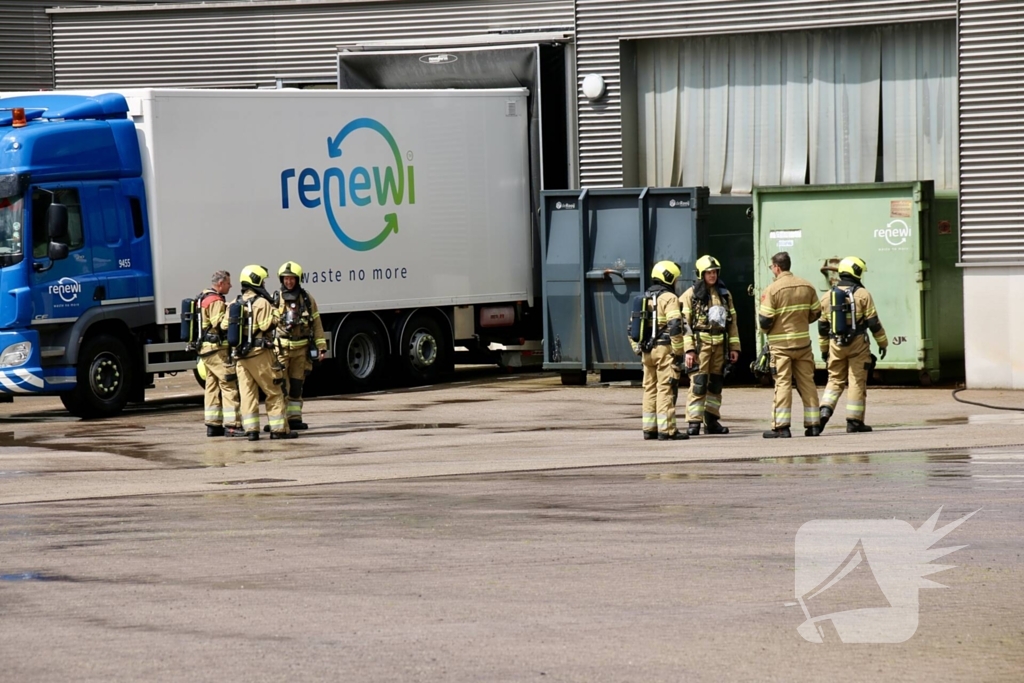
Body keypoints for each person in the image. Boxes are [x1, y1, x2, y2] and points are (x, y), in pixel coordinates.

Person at [817, 256, 889, 433]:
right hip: (858, 344)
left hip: (835, 345)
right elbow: (874, 323)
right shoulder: (863, 295)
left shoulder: (827, 296)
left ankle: (824, 410)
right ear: (856, 272)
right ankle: (854, 422)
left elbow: (822, 327)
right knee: (856, 381)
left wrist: (824, 350)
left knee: (834, 380)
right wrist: (883, 342)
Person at [758, 252, 822, 438]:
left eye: (772, 267)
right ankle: (813, 425)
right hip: (803, 345)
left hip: (780, 347)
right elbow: (816, 313)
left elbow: (764, 321)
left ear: (777, 267)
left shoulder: (772, 289)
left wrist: (771, 331)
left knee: (783, 384)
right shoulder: (807, 286)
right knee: (807, 383)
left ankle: (782, 427)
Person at [233, 265, 296, 441]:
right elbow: (266, 325)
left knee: (248, 394)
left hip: (240, 357)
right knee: (274, 390)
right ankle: (279, 430)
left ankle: (251, 430)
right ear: (256, 280)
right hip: (260, 355)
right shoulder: (262, 303)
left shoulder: (235, 303)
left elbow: (224, 326)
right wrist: (276, 311)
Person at [680, 255, 741, 436]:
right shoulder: (690, 295)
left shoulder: (724, 294)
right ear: (701, 274)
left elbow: (732, 323)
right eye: (708, 272)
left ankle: (712, 420)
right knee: (698, 384)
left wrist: (735, 347)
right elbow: (685, 325)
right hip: (701, 346)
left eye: (714, 272)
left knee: (715, 385)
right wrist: (689, 350)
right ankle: (694, 422)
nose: (712, 275)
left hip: (720, 345)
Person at [629, 261, 689, 441]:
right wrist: (679, 350)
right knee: (666, 388)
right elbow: (675, 326)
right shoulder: (669, 298)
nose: (677, 282)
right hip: (665, 350)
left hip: (647, 351)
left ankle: (649, 429)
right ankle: (667, 430)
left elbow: (631, 328)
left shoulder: (643, 298)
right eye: (676, 279)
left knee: (649, 389)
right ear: (669, 278)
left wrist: (638, 350)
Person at [271, 261, 327, 431]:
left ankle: (294, 418)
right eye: (286, 279)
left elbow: (316, 323)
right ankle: (279, 421)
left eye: (292, 279)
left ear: (298, 279)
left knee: (296, 385)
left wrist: (321, 347)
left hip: (301, 351)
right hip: (281, 350)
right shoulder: (275, 299)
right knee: (280, 386)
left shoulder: (307, 299)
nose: (289, 282)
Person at [198, 270, 244, 437]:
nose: (230, 286)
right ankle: (233, 425)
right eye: (228, 283)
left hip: (206, 350)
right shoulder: (215, 301)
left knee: (212, 385)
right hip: (216, 350)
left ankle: (213, 424)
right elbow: (221, 324)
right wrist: (232, 308)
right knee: (228, 384)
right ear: (220, 284)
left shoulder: (204, 297)